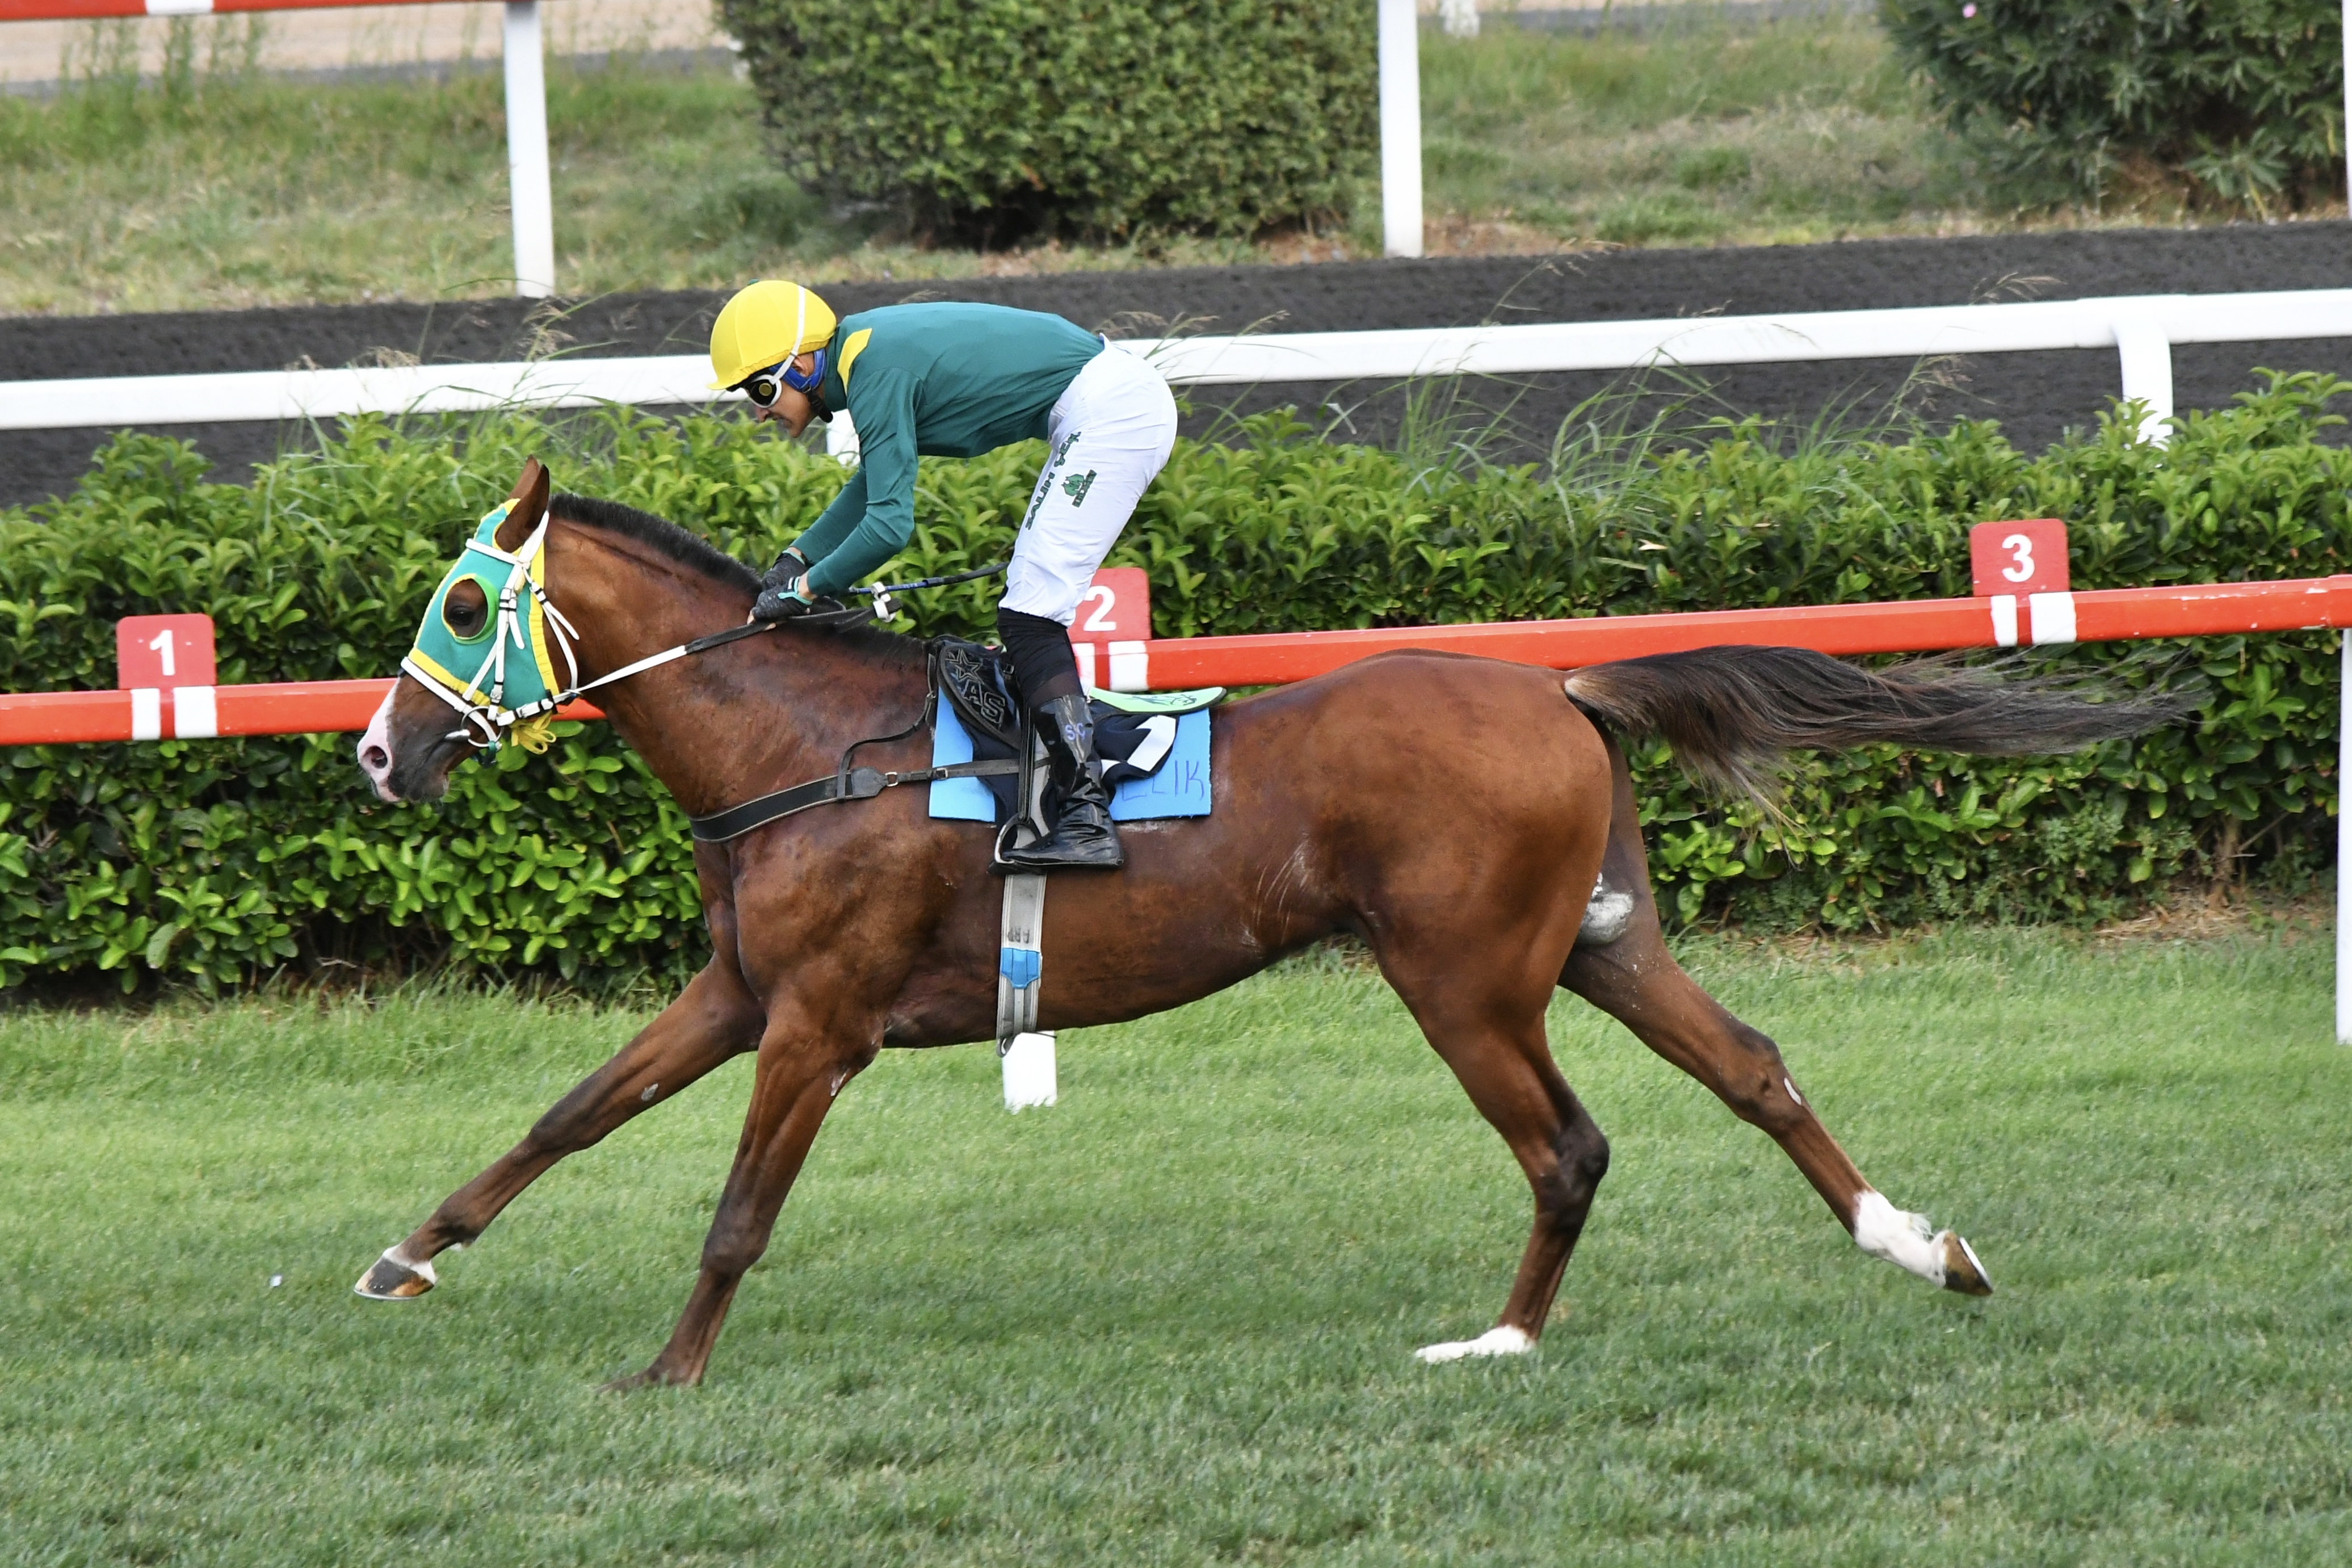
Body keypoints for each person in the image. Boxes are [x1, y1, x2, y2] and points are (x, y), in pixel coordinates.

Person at [707, 279, 1178, 872]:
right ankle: (1064, 782)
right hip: (1102, 406)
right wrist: (796, 558)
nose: (758, 411)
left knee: (1030, 615)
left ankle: (1087, 818)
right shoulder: (863, 357)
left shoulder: (874, 370)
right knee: (1026, 607)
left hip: (1113, 413)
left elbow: (889, 527)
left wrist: (804, 592)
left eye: (760, 389)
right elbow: (871, 487)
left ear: (800, 364)